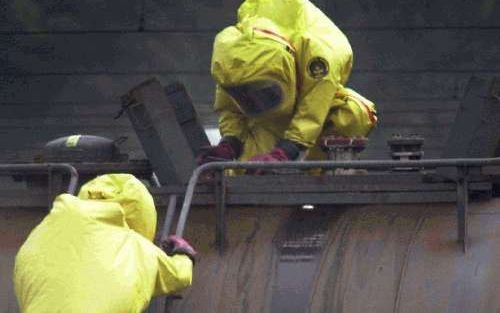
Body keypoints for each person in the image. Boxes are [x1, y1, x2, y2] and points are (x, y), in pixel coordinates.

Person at [198, 0, 377, 167]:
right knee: (249, 172)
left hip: (314, 105)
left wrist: (286, 151)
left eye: (262, 93)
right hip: (268, 121)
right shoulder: (232, 62)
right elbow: (230, 106)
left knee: (354, 113)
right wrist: (230, 142)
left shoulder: (319, 59)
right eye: (246, 94)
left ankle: (318, 173)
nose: (255, 100)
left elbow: (312, 113)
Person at [13, 174, 196, 313]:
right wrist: (184, 253)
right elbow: (179, 276)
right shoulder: (137, 248)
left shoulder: (39, 236)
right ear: (140, 211)